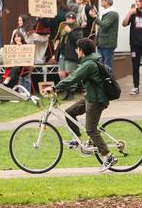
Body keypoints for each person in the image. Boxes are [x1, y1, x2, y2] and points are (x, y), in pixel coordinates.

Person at [45, 38, 117, 172]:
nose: (75, 50)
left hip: (96, 100)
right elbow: (78, 80)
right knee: (69, 112)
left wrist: (55, 88)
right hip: (90, 97)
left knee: (91, 129)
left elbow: (73, 77)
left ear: (81, 51)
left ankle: (108, 157)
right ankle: (77, 139)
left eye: (77, 48)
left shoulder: (89, 64)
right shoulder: (88, 62)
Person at [53, 12, 83, 99]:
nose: (68, 20)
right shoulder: (62, 28)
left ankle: (72, 92)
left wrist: (70, 32)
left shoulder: (78, 29)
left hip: (71, 53)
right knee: (61, 73)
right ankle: (66, 91)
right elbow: (59, 38)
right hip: (62, 53)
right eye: (67, 18)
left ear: (74, 19)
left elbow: (78, 41)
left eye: (70, 19)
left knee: (70, 72)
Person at [89, 0, 119, 70]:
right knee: (101, 65)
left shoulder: (112, 13)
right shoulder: (106, 12)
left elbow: (105, 25)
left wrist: (95, 17)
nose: (101, 1)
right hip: (102, 42)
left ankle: (109, 81)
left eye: (102, 0)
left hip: (107, 43)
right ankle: (103, 81)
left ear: (107, 1)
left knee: (107, 65)